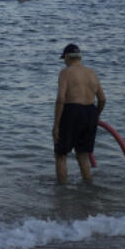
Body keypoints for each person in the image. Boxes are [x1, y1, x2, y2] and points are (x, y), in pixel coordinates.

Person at [52, 43, 105, 183]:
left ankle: (61, 191)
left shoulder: (65, 72)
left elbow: (61, 99)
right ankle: (88, 188)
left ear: (68, 57)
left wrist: (56, 125)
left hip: (72, 111)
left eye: (64, 58)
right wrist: (96, 115)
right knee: (83, 154)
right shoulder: (92, 72)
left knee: (61, 154)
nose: (64, 61)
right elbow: (102, 99)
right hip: (90, 112)